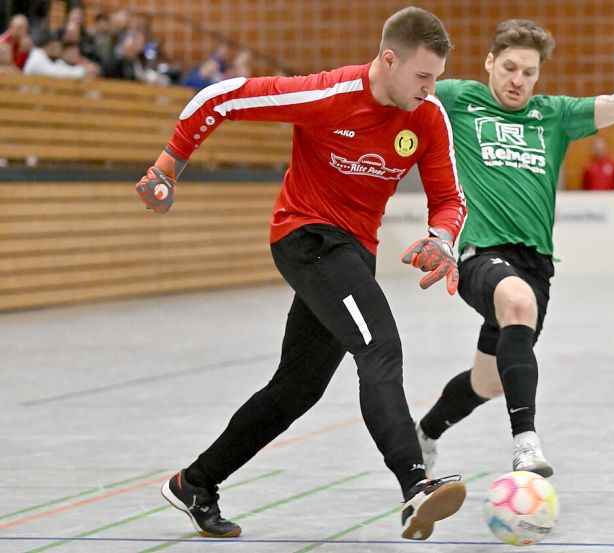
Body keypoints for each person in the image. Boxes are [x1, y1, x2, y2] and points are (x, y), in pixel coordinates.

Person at [135, 7, 468, 541]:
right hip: (306, 236)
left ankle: (195, 482)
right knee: (378, 345)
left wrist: (442, 239)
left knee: (298, 388)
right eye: (423, 77)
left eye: (437, 79)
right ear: (389, 59)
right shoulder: (327, 95)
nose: (431, 90)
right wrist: (167, 166)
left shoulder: (426, 116)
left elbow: (450, 199)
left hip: (354, 251)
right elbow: (222, 97)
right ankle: (415, 487)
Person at [415, 0, 614, 479]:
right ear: (489, 62)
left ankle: (423, 433)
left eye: (528, 72)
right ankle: (525, 445)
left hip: (536, 264)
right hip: (477, 253)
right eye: (509, 68)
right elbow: (400, 88)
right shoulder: (457, 98)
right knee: (518, 304)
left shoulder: (555, 114)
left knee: (487, 382)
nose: (517, 80)